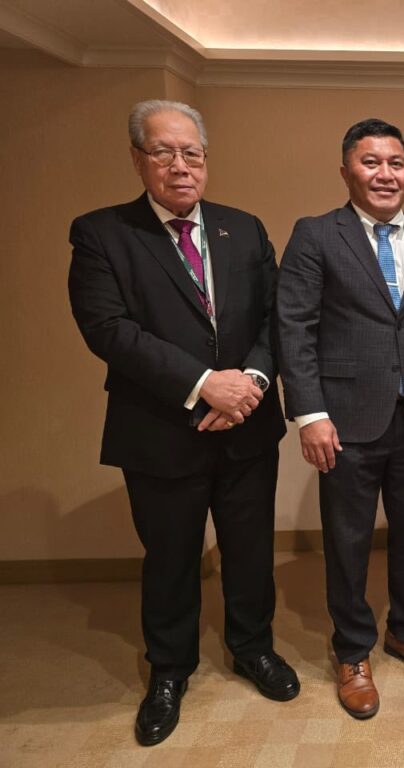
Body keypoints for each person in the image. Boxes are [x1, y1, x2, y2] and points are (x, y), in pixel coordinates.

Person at [68, 100, 298, 747]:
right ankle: (169, 670)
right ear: (138, 158)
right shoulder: (101, 233)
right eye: (164, 151)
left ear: (205, 159)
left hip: (247, 428)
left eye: (191, 152)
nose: (180, 166)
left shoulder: (243, 230)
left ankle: (253, 649)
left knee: (251, 552)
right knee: (170, 558)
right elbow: (107, 329)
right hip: (161, 429)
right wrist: (204, 386)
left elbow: (274, 320)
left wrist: (249, 383)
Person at [275, 118, 404, 720]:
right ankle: (352, 649)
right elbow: (294, 329)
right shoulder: (316, 235)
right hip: (344, 420)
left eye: (396, 163)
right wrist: (309, 414)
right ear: (346, 171)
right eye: (372, 162)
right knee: (348, 542)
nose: (386, 174)